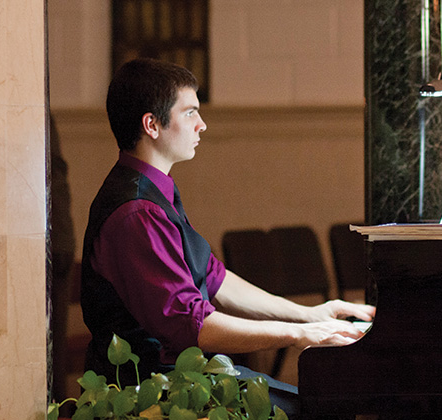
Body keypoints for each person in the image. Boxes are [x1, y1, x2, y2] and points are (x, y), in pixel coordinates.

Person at [81, 57, 375, 417]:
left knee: (319, 404)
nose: (202, 125)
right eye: (190, 113)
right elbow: (194, 325)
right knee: (311, 410)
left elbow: (216, 279)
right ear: (152, 124)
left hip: (181, 375)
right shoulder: (137, 212)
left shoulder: (152, 193)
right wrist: (298, 335)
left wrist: (309, 315)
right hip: (152, 389)